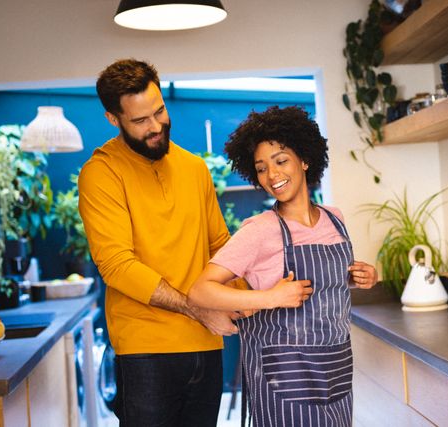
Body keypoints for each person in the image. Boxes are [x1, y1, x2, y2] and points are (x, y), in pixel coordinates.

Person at [78, 59, 311, 427]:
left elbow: (220, 246)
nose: (156, 127)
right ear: (113, 118)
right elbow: (116, 265)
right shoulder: (101, 174)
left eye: (159, 111)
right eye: (140, 121)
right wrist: (198, 309)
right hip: (146, 351)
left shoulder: (193, 168)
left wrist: (253, 299)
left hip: (206, 344)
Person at [189, 106, 378, 426]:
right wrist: (270, 298)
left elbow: (327, 284)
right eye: (261, 168)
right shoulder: (260, 229)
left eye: (280, 161)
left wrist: (362, 277)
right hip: (284, 379)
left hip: (335, 373)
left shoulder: (335, 219)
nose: (272, 175)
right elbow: (200, 291)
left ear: (304, 159)